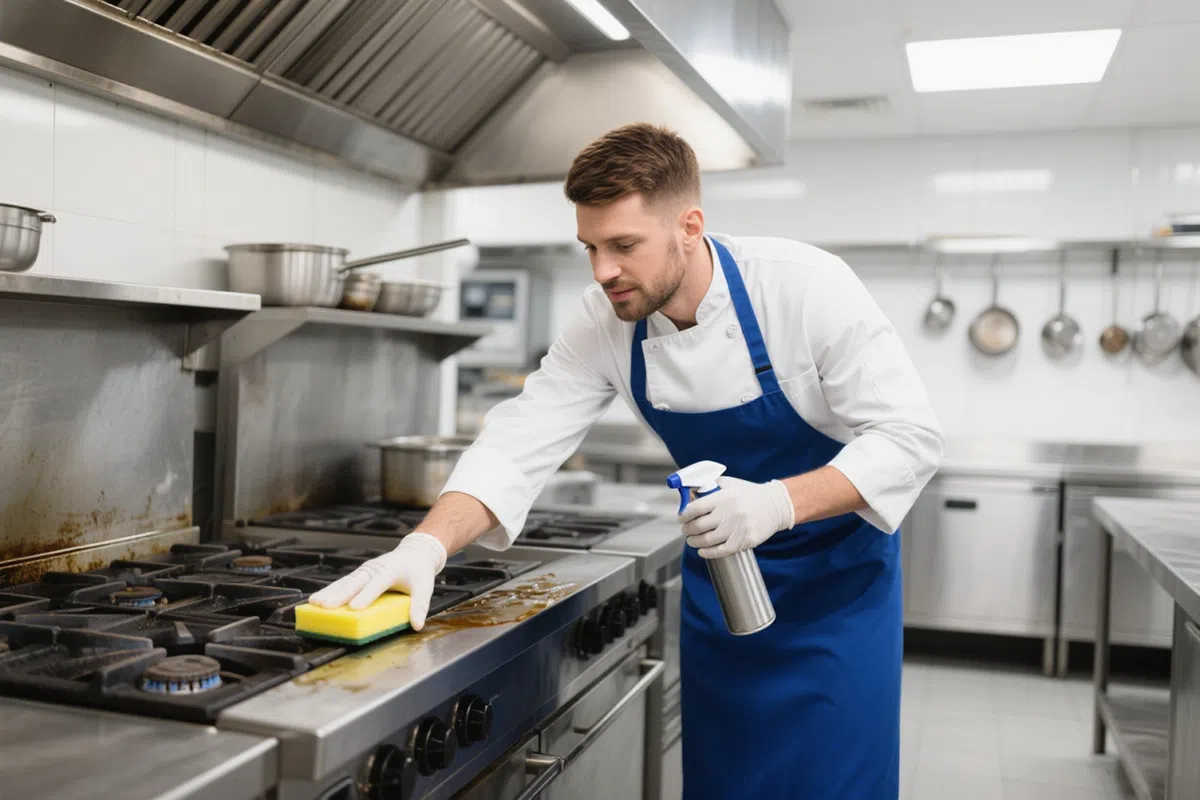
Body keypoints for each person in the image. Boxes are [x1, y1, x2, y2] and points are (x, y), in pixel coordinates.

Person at [310, 123, 945, 799]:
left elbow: (910, 437)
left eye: (623, 246)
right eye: (589, 247)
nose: (602, 270)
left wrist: (775, 503)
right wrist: (424, 548)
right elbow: (519, 439)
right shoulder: (605, 319)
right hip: (725, 596)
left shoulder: (802, 287)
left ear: (689, 226)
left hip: (835, 601)